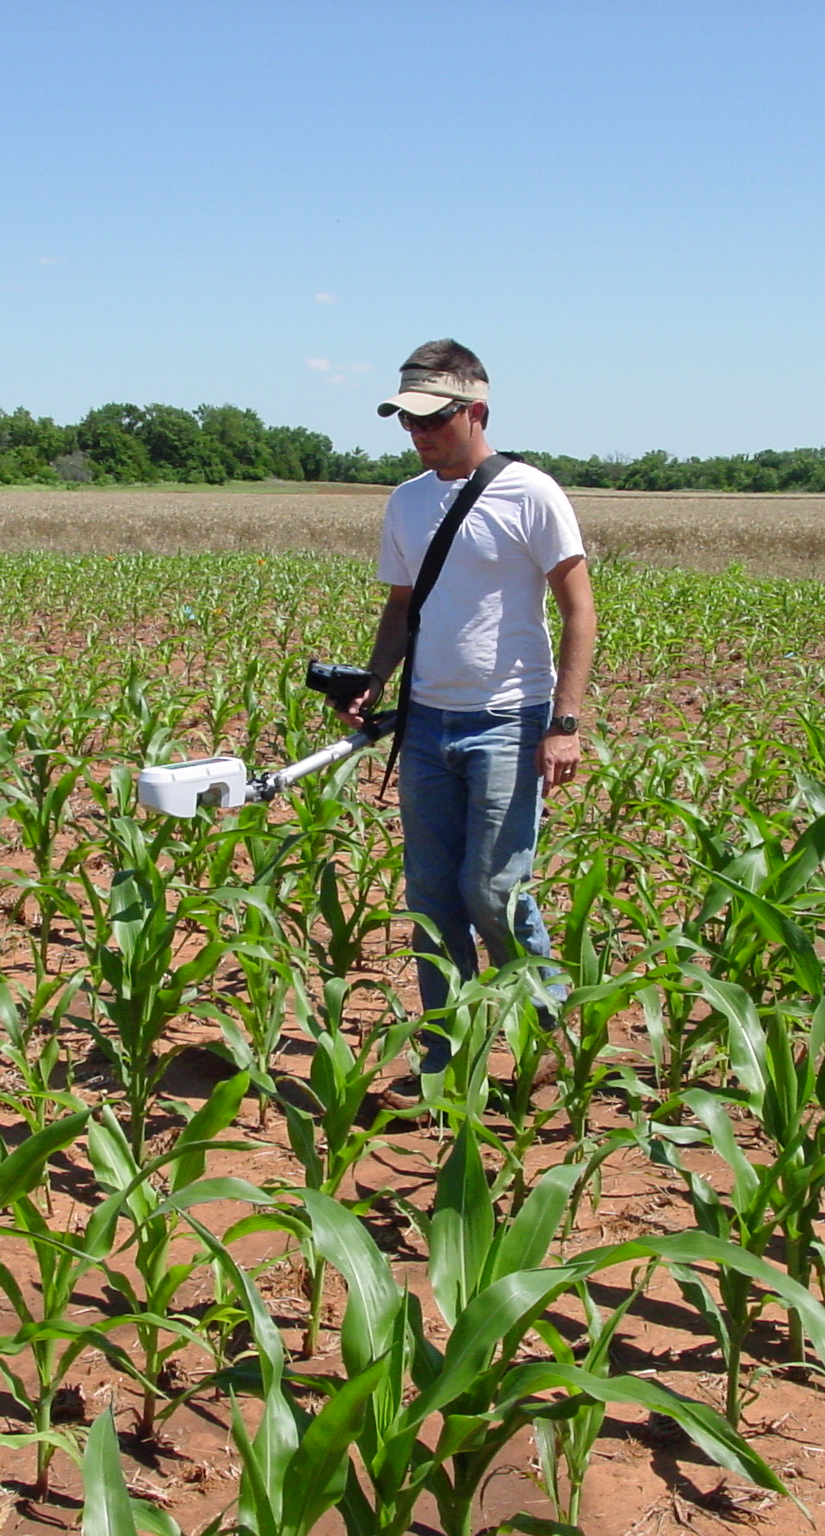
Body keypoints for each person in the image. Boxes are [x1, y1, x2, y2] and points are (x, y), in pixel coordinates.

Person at [336, 339, 595, 1089]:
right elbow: (401, 603)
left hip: (509, 720)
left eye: (433, 421)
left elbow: (579, 608)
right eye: (406, 422)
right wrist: (376, 679)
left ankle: (546, 1032)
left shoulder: (532, 494)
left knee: (492, 889)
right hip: (425, 724)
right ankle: (444, 1062)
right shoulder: (407, 501)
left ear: (476, 410)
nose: (417, 435)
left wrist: (565, 722)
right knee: (430, 899)